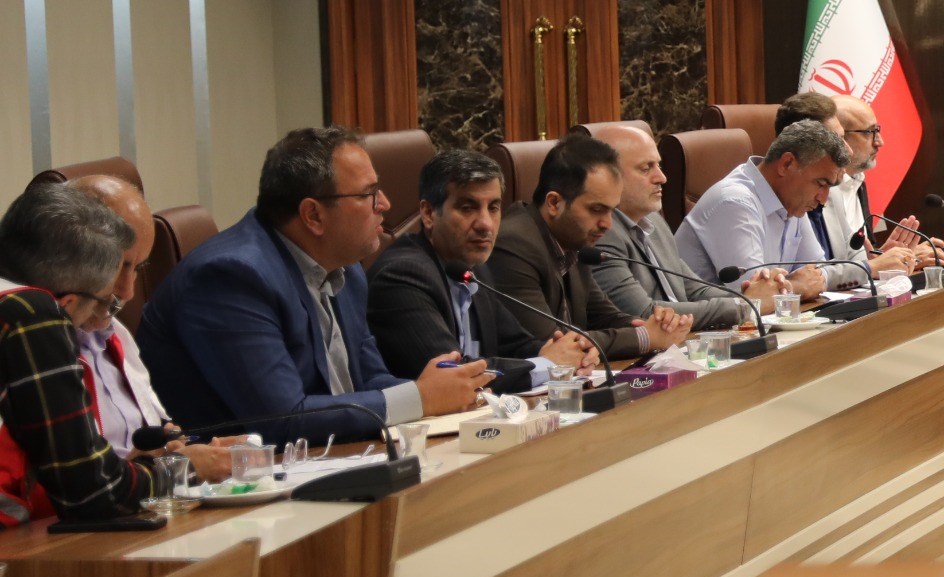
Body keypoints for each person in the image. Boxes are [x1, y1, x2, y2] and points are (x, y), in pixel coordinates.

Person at [140, 127, 490, 441]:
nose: (385, 204)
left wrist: (447, 392)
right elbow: (282, 419)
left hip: (332, 456)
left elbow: (369, 380)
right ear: (313, 215)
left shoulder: (346, 267)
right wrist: (419, 398)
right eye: (369, 193)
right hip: (241, 479)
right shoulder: (230, 278)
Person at [369, 148, 597, 390]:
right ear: (428, 213)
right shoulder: (403, 276)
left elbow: (517, 346)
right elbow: (454, 374)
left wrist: (571, 351)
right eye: (468, 208)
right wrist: (550, 364)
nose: (485, 224)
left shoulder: (474, 270)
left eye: (493, 208)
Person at [64, 174, 237, 481]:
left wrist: (191, 451)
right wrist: (173, 468)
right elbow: (78, 486)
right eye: (119, 265)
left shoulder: (115, 334)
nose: (128, 291)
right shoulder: (35, 348)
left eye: (138, 268)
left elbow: (156, 440)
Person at [0, 183, 151, 526]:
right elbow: (94, 495)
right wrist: (176, 470)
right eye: (104, 301)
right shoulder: (30, 314)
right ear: (66, 304)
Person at [491, 136, 692, 363]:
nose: (607, 224)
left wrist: (654, 325)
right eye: (597, 210)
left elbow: (603, 314)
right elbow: (555, 345)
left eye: (612, 211)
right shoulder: (514, 245)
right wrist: (645, 337)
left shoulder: (573, 241)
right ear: (554, 203)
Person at [586, 124, 769, 329]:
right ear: (606, 177)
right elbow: (645, 314)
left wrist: (754, 296)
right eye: (646, 169)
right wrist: (745, 306)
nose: (662, 178)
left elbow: (696, 291)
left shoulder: (653, 221)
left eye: (659, 166)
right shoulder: (601, 235)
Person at [675, 118, 861, 296]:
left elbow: (817, 272)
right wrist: (797, 286)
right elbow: (754, 294)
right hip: (698, 317)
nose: (823, 199)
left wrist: (801, 283)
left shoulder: (792, 201)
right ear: (786, 164)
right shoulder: (734, 202)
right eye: (821, 183)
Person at [770, 91, 938, 279]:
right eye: (869, 132)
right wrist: (870, 267)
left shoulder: (844, 187)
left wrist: (882, 259)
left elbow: (839, 265)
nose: (846, 150)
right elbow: (814, 276)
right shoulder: (789, 197)